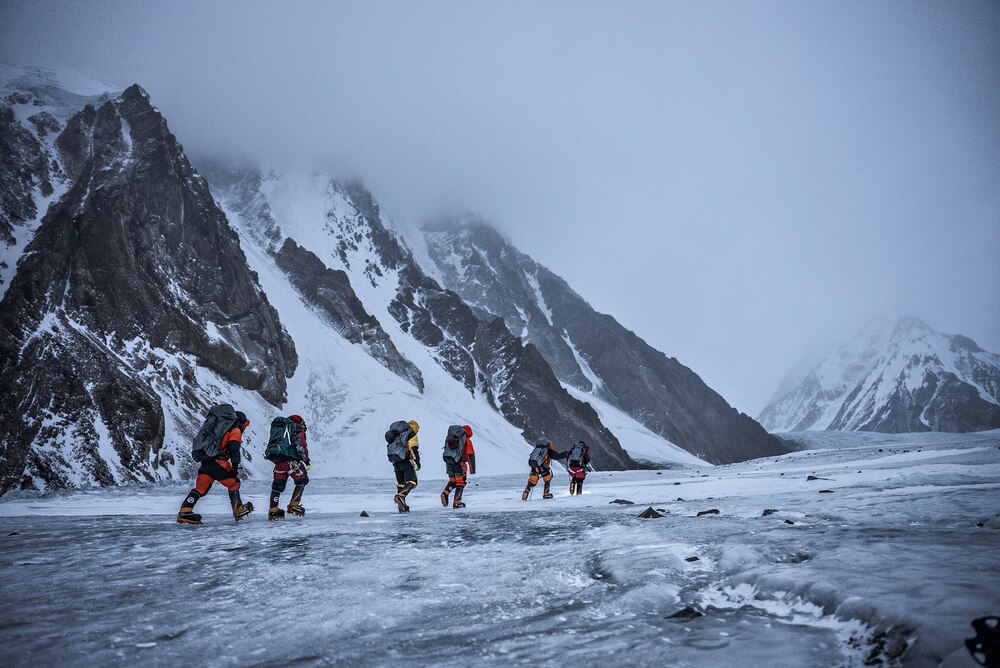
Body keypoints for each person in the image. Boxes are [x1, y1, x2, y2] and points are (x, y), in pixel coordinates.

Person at [177, 410, 254, 524]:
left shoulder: (218, 429)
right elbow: (234, 448)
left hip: (206, 463)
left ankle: (185, 510)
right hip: (218, 463)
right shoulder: (235, 429)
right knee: (234, 483)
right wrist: (235, 466)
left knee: (200, 489)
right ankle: (238, 509)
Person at [268, 414, 311, 520]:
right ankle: (294, 504)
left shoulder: (281, 431)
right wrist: (307, 461)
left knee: (277, 486)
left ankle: (273, 510)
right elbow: (301, 446)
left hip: (278, 461)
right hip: (290, 461)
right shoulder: (297, 430)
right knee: (302, 480)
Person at [386, 419, 420, 513]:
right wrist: (417, 462)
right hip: (405, 461)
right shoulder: (410, 434)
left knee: (401, 483)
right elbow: (413, 449)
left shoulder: (398, 434)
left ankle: (402, 507)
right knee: (412, 481)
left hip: (396, 461)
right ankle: (401, 496)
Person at [441, 424, 476, 508]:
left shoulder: (451, 437)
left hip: (449, 461)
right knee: (461, 482)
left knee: (453, 480)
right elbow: (470, 454)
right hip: (459, 463)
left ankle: (445, 492)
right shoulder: (466, 440)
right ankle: (457, 502)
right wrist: (472, 469)